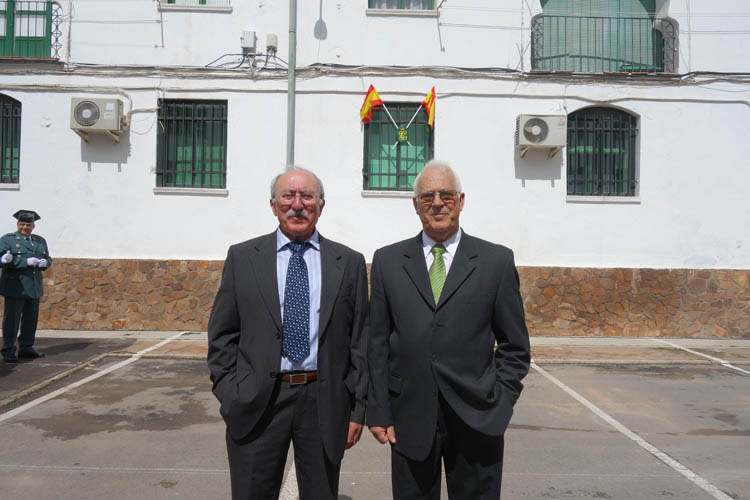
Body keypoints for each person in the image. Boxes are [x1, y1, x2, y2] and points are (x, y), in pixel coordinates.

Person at [367, 160, 531, 500]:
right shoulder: (388, 261)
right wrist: (380, 409)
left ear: (461, 200)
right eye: (427, 196)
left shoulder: (495, 261)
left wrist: (500, 402)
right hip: (408, 418)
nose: (437, 203)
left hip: (478, 418)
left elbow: (515, 346)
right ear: (415, 205)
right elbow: (378, 342)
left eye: (446, 194)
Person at [207, 166, 368, 500]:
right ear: (273, 204)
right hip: (258, 401)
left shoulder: (348, 262)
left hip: (323, 402)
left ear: (321, 205)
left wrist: (357, 409)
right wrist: (230, 392)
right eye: (288, 196)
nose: (298, 204)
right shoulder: (242, 258)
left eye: (307, 196)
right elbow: (222, 334)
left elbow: (360, 341)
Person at [1, 210, 52, 363]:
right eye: (22, 224)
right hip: (16, 286)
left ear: (33, 226)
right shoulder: (7, 240)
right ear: (17, 225)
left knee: (31, 319)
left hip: (34, 286)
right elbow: (1, 258)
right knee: (12, 320)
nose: (25, 227)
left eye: (28, 225)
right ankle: (8, 349)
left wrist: (46, 263)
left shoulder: (39, 241)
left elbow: (47, 257)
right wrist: (19, 261)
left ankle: (26, 347)